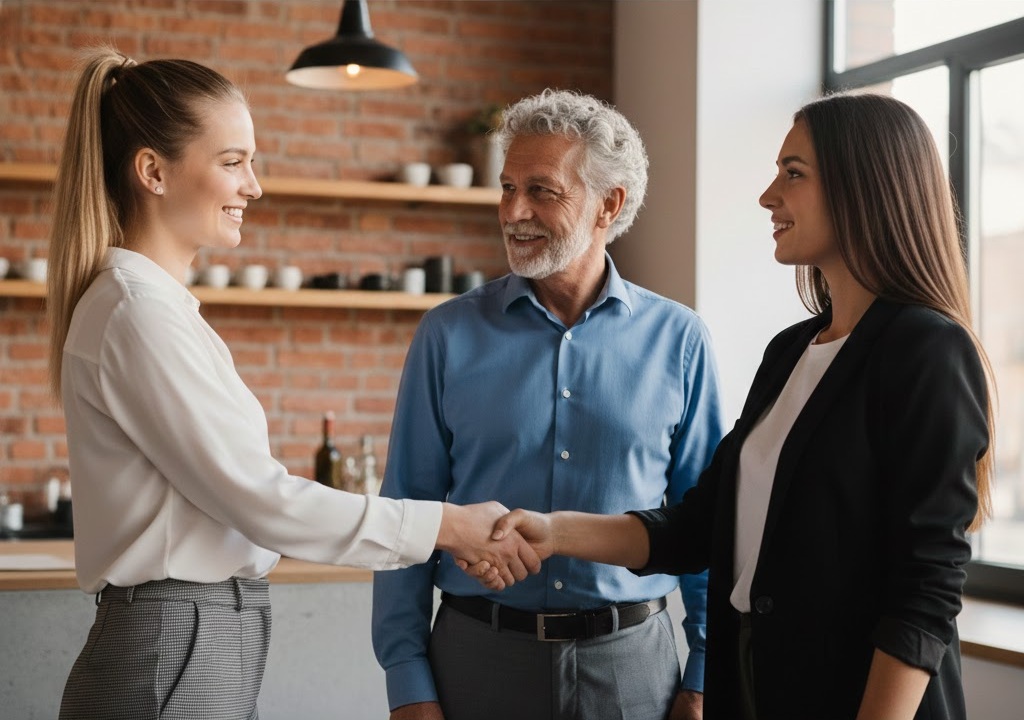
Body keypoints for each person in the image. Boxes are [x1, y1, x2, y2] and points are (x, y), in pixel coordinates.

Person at [47, 47, 538, 720]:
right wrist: (449, 525)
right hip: (175, 640)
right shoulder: (135, 313)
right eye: (233, 162)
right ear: (153, 171)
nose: (254, 186)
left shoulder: (153, 310)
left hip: (197, 637)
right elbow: (263, 502)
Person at [485, 92, 995, 720]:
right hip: (759, 688)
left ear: (865, 186)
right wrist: (555, 530)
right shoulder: (791, 350)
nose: (767, 195)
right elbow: (697, 526)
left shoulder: (927, 349)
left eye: (794, 173)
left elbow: (926, 591)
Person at [371, 89, 725, 720]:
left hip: (632, 667)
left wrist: (703, 676)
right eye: (507, 187)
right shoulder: (447, 335)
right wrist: (408, 685)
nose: (513, 210)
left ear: (607, 205)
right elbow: (407, 511)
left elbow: (708, 523)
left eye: (541, 190)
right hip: (477, 660)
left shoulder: (680, 340)